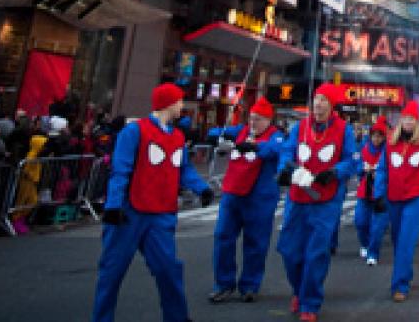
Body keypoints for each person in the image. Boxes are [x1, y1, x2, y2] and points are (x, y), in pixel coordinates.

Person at [91, 83, 214, 322]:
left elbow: (184, 168)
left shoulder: (177, 136)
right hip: (129, 212)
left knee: (168, 269)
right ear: (168, 103)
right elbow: (121, 169)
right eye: (179, 101)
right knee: (112, 272)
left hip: (161, 213)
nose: (182, 106)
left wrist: (203, 189)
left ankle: (177, 317)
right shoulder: (134, 131)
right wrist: (114, 205)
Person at [275, 83, 357, 322]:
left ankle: (310, 302)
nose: (318, 104)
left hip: (325, 200)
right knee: (289, 250)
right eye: (316, 99)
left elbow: (352, 160)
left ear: (332, 105)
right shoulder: (300, 127)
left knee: (316, 253)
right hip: (297, 197)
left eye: (324, 100)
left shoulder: (344, 130)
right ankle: (298, 290)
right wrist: (284, 170)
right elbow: (287, 153)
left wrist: (334, 172)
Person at [209, 96, 285, 304]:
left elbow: (275, 150)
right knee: (222, 236)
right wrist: (220, 136)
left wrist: (255, 148)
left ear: (268, 120)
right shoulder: (240, 131)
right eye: (251, 118)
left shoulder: (275, 137)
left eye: (258, 119)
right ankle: (223, 283)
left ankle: (250, 284)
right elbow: (216, 133)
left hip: (259, 199)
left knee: (256, 243)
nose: (253, 123)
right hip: (232, 195)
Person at [373, 100, 419, 302]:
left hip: (416, 198)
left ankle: (399, 286)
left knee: (406, 242)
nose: (408, 121)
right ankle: (405, 273)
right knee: (397, 240)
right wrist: (379, 195)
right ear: (401, 120)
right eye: (406, 118)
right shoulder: (391, 142)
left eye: (412, 118)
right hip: (394, 198)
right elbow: (383, 170)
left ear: (417, 122)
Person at [354, 116, 390, 266]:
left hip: (381, 192)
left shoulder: (388, 150)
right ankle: (365, 244)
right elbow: (356, 166)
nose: (376, 139)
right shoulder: (363, 149)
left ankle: (373, 252)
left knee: (378, 226)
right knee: (360, 221)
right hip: (364, 191)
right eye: (374, 136)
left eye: (379, 136)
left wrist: (378, 171)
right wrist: (363, 168)